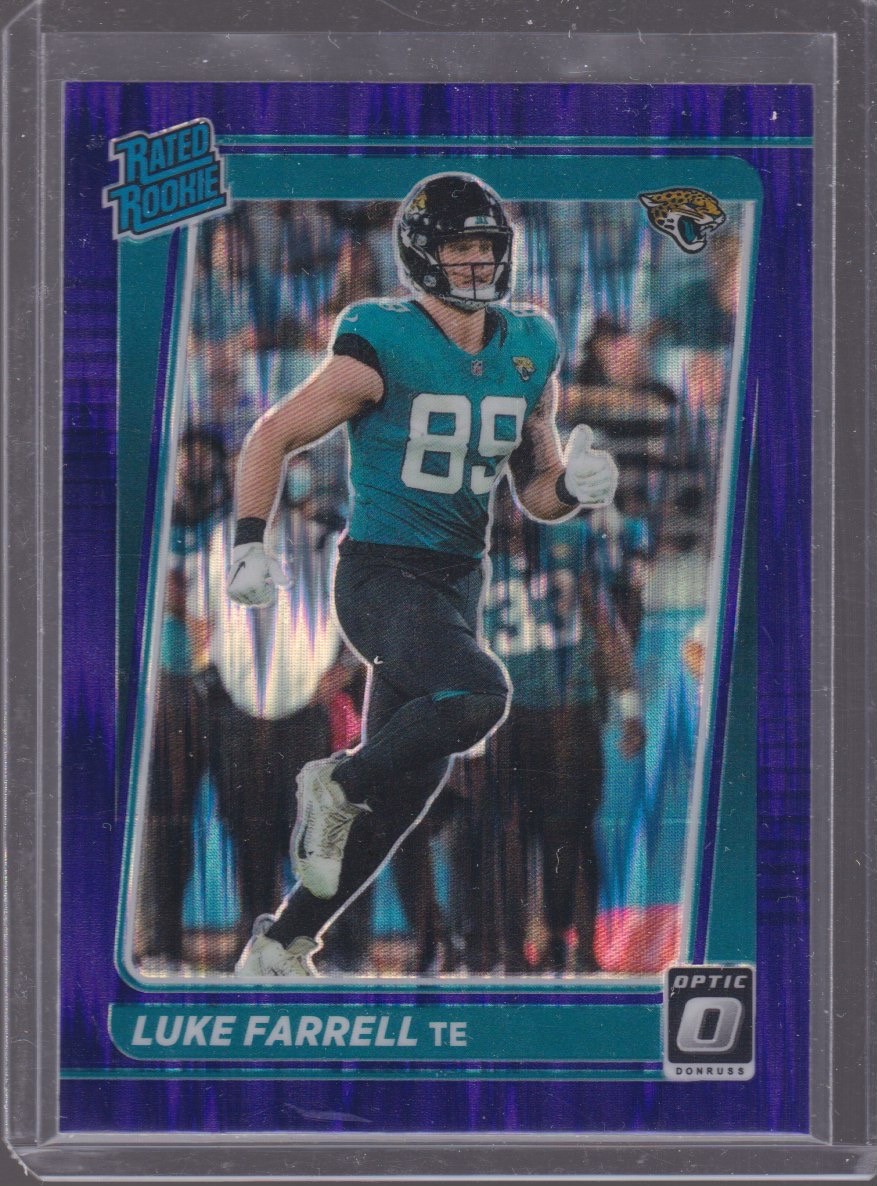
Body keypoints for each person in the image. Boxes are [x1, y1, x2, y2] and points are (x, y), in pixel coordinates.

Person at [225, 172, 618, 978]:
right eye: (460, 247)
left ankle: (282, 942)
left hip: (454, 587)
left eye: (485, 247)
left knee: (405, 794)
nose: (477, 262)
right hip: (380, 578)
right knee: (479, 696)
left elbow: (534, 490)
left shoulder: (528, 344)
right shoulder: (381, 338)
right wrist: (249, 541)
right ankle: (335, 781)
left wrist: (575, 487)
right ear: (420, 255)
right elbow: (272, 434)